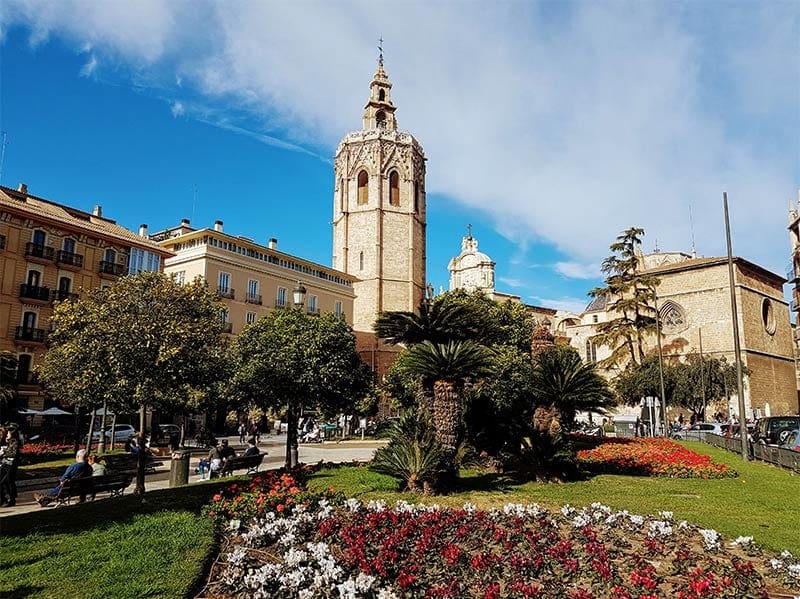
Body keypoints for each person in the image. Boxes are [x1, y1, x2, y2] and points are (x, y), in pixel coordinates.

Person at [0, 428, 21, 507]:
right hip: (4, 464)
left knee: (8, 481)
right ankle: (2, 499)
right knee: (2, 482)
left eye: (8, 433)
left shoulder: (15, 442)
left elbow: (13, 454)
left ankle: (11, 499)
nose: (7, 435)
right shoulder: (8, 442)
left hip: (11, 465)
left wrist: (3, 453)